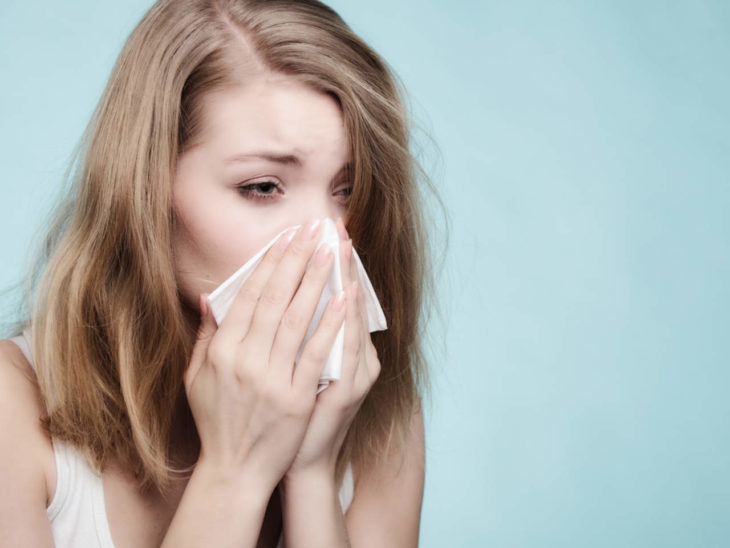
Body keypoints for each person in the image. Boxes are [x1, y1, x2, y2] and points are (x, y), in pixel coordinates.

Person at [0, 0, 433, 546]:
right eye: (262, 187)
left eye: (347, 191)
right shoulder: (9, 407)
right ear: (146, 191)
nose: (328, 240)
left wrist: (311, 476)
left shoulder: (373, 405)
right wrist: (235, 472)